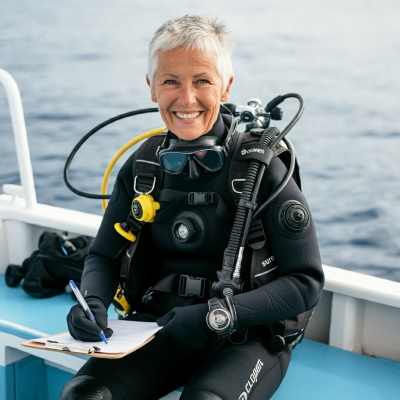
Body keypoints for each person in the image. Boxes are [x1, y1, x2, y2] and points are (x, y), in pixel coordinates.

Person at [60, 14, 324, 400]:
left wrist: (216, 314)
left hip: (245, 336)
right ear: (151, 87)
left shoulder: (258, 168)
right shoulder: (144, 167)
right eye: (170, 81)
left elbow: (305, 283)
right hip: (158, 326)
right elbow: (102, 255)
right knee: (83, 396)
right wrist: (93, 302)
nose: (187, 99)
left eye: (202, 80)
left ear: (225, 85)